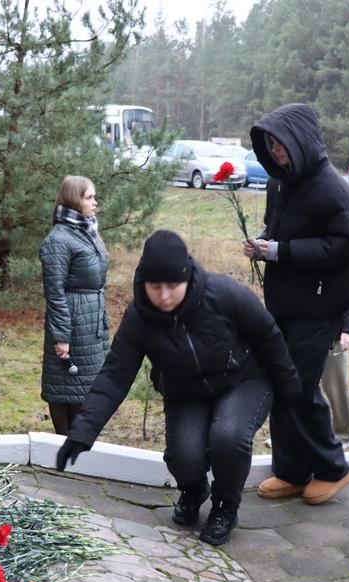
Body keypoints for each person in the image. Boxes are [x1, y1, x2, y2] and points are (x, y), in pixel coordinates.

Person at [55, 230, 301, 546]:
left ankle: (226, 506)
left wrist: (292, 393)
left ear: (187, 276)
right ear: (143, 282)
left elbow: (269, 336)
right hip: (186, 391)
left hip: (243, 380)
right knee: (183, 456)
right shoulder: (139, 318)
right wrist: (82, 432)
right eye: (156, 287)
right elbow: (115, 375)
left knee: (228, 436)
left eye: (173, 285)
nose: (166, 295)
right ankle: (194, 489)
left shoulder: (223, 293)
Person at [243, 102, 349, 505]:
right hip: (283, 302)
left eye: (281, 145)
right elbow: (280, 228)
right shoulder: (281, 181)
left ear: (301, 143)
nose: (276, 153)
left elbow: (344, 247)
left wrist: (278, 251)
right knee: (282, 385)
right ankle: (292, 470)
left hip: (318, 308)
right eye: (271, 146)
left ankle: (333, 467)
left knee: (298, 388)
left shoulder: (332, 189)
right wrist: (263, 243)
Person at [39, 176, 110, 436]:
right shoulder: (58, 240)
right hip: (73, 323)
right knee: (66, 387)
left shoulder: (86, 230)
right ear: (74, 200)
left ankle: (80, 444)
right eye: (89, 197)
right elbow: (54, 293)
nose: (95, 202)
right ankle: (66, 446)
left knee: (87, 387)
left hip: (92, 322)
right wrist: (61, 336)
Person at [321, 304, 349, 448]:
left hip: (334, 334)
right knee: (298, 383)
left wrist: (348, 330)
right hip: (303, 330)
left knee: (335, 387)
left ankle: (344, 434)